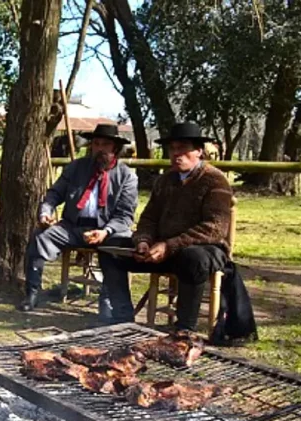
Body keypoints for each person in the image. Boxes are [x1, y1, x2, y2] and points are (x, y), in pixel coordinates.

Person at [99, 122, 234, 332]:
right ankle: (122, 318)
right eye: (172, 149)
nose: (176, 154)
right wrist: (143, 241)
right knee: (111, 249)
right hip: (161, 250)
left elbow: (214, 228)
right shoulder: (165, 180)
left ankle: (184, 329)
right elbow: (149, 218)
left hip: (206, 250)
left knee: (193, 257)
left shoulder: (215, 180)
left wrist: (169, 246)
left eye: (183, 149)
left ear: (199, 151)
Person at [19, 123, 139, 313]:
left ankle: (107, 301)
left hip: (108, 231)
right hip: (72, 227)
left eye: (105, 145)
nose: (99, 149)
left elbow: (125, 215)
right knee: (41, 236)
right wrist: (45, 212)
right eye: (96, 144)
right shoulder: (76, 167)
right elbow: (54, 194)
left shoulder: (127, 177)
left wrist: (105, 231)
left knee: (118, 247)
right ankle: (32, 294)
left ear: (115, 148)